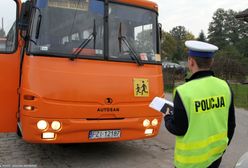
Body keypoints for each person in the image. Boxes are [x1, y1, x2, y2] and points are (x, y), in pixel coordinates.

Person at [164, 40, 236, 168]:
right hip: (215, 157)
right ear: (211, 62)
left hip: (189, 163)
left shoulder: (183, 91)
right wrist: (222, 148)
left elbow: (178, 128)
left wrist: (167, 116)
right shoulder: (225, 86)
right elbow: (231, 124)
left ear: (191, 62)